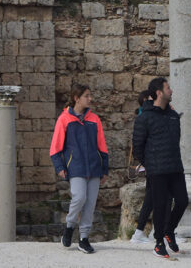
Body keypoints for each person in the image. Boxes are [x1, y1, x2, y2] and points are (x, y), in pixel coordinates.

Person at [132, 78, 189, 258]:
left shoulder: (173, 116)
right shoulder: (144, 118)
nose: (171, 91)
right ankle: (158, 243)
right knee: (160, 205)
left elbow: (175, 140)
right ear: (159, 93)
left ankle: (168, 231)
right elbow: (137, 147)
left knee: (183, 201)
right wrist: (151, 164)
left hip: (175, 168)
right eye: (168, 88)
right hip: (157, 171)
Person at [50, 84, 109, 254]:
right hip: (75, 167)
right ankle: (69, 226)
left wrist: (104, 168)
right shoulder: (64, 119)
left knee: (90, 204)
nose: (90, 99)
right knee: (79, 197)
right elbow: (55, 148)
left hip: (94, 167)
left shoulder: (94, 119)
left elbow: (102, 146)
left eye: (90, 95)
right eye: (87, 96)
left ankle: (84, 238)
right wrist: (60, 167)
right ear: (77, 98)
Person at [130, 90, 154, 244]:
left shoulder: (146, 116)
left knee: (153, 197)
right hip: (153, 163)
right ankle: (140, 233)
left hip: (154, 162)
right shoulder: (144, 117)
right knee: (154, 197)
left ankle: (150, 232)